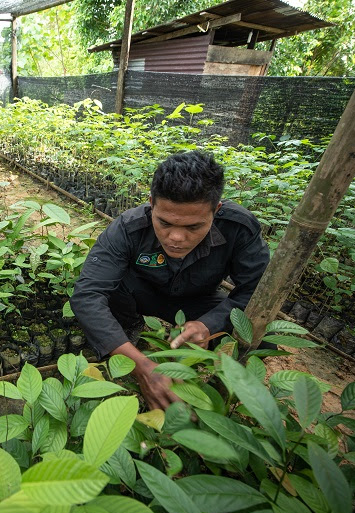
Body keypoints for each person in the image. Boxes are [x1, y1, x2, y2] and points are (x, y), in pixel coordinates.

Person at [70, 151, 269, 410]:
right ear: (152, 203)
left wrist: (209, 324)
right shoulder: (128, 228)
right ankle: (129, 329)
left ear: (216, 210)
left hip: (196, 300)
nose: (176, 237)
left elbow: (255, 290)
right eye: (164, 222)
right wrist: (140, 366)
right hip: (139, 295)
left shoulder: (238, 228)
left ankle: (222, 396)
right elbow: (88, 295)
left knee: (260, 334)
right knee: (113, 292)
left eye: (193, 227)